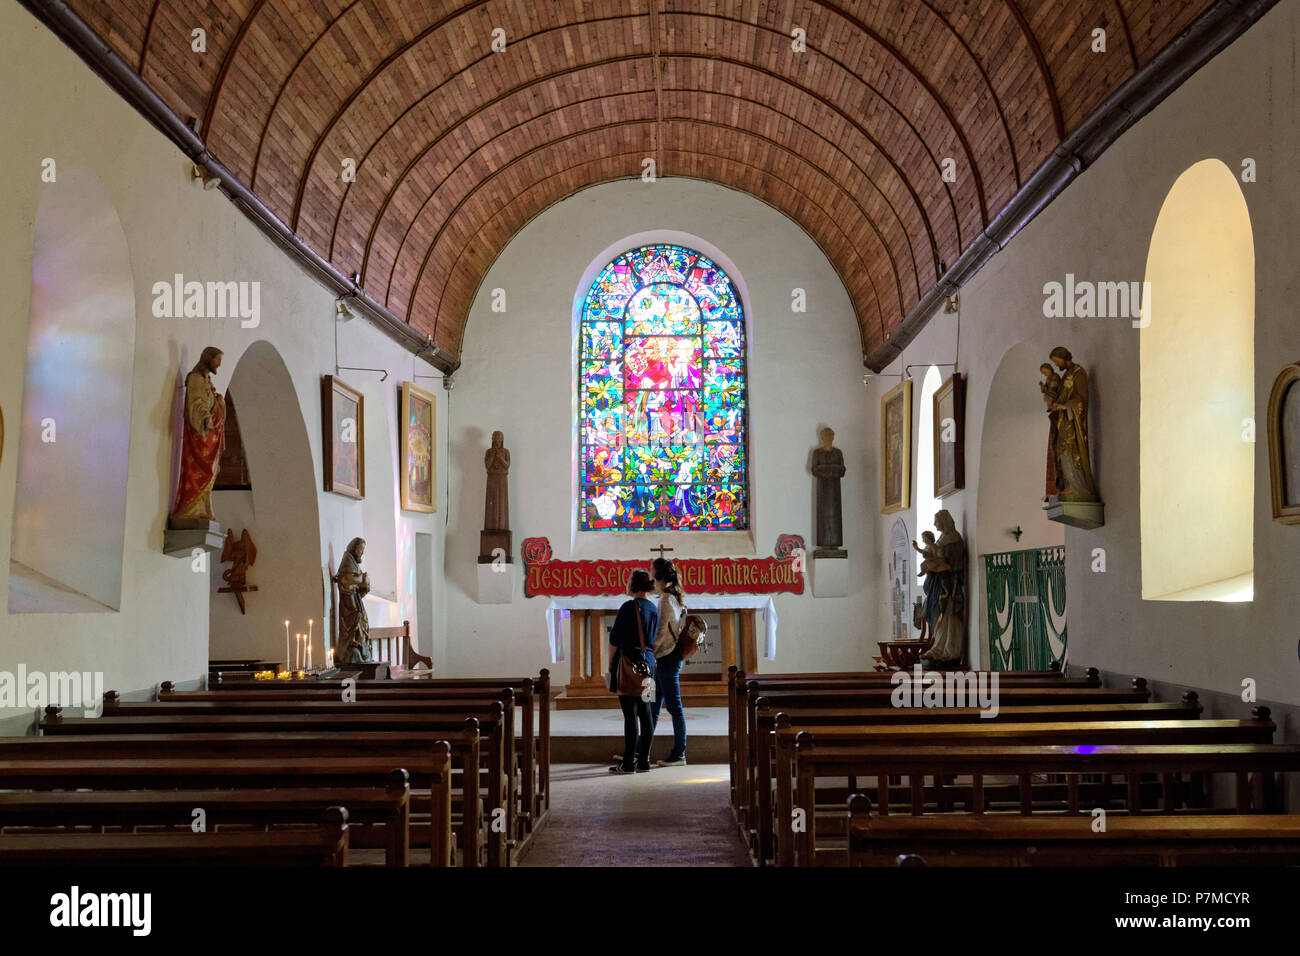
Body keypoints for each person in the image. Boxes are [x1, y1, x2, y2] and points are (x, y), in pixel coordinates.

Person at [608, 570, 659, 774]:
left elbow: (614, 641)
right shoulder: (653, 608)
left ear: (634, 586)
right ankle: (645, 761)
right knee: (646, 715)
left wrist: (611, 667)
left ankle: (629, 763)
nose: (626, 583)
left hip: (629, 665)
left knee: (630, 716)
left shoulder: (628, 607)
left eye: (628, 581)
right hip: (649, 666)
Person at [650, 557, 688, 766]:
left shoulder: (665, 599)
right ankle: (640, 750)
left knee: (674, 707)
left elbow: (662, 632)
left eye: (652, 571)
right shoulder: (672, 596)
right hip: (666, 657)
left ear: (658, 576)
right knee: (653, 706)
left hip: (666, 657)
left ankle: (679, 753)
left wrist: (650, 652)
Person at [336, 537, 373, 663]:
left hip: (355, 600)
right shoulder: (347, 561)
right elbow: (345, 580)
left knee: (363, 622)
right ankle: (352, 647)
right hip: (349, 604)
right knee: (354, 624)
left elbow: (358, 584)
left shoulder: (353, 563)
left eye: (363, 550)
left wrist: (365, 585)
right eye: (360, 549)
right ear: (353, 548)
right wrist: (362, 579)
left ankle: (360, 647)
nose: (362, 553)